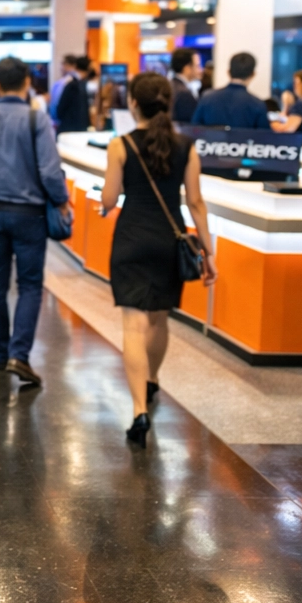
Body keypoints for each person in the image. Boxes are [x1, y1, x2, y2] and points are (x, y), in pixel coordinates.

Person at [99, 73, 217, 448]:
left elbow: (109, 196)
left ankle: (138, 410)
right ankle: (151, 382)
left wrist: (104, 204)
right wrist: (208, 251)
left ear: (133, 103)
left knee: (133, 326)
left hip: (131, 240)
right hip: (169, 242)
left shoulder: (120, 145)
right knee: (160, 318)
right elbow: (196, 203)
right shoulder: (186, 146)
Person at [0, 57, 71, 385]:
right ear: (26, 83)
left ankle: (0, 354)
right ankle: (20, 355)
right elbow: (50, 171)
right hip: (29, 213)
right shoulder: (37, 120)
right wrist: (62, 202)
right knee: (30, 284)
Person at [192, 53, 271, 129]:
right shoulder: (257, 104)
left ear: (228, 72)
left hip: (209, 141)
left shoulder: (207, 97)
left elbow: (194, 128)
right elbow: (263, 137)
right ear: (253, 74)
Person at [53, 56, 92, 133]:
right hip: (71, 129)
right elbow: (59, 107)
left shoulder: (74, 83)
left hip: (72, 129)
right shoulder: (72, 84)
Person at [168, 47, 200, 123]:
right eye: (197, 66)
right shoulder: (184, 94)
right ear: (187, 68)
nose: (200, 70)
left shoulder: (170, 85)